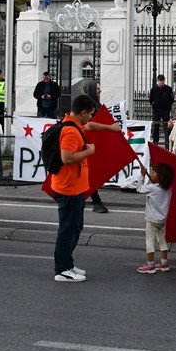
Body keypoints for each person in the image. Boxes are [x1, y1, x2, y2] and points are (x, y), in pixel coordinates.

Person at [51, 94, 97, 282]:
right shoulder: (71, 131)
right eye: (91, 114)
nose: (91, 118)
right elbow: (67, 158)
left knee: (75, 227)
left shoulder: (74, 124)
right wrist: (89, 151)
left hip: (74, 187)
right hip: (68, 188)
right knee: (68, 229)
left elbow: (91, 126)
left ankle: (67, 263)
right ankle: (62, 269)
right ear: (83, 112)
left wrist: (111, 128)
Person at [75, 79, 117, 212]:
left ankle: (80, 198)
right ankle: (96, 201)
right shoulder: (86, 105)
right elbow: (87, 125)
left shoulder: (97, 105)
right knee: (89, 172)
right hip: (86, 143)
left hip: (95, 144)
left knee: (88, 172)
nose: (100, 91)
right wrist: (109, 127)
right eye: (98, 88)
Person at [135, 162, 175, 274]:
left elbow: (139, 188)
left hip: (151, 220)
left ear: (160, 176)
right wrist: (149, 178)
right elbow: (154, 186)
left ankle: (150, 265)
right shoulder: (168, 189)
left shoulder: (152, 188)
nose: (152, 173)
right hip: (162, 220)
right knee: (162, 240)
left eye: (154, 172)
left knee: (149, 241)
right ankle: (164, 262)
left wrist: (142, 175)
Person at [149, 74, 174, 145]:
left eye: (162, 80)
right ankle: (155, 142)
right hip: (156, 110)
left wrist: (168, 107)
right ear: (157, 81)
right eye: (160, 80)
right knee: (155, 126)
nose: (161, 82)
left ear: (164, 80)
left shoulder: (168, 89)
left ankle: (167, 142)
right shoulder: (154, 89)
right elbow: (151, 99)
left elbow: (172, 99)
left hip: (165, 110)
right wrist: (153, 105)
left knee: (166, 127)